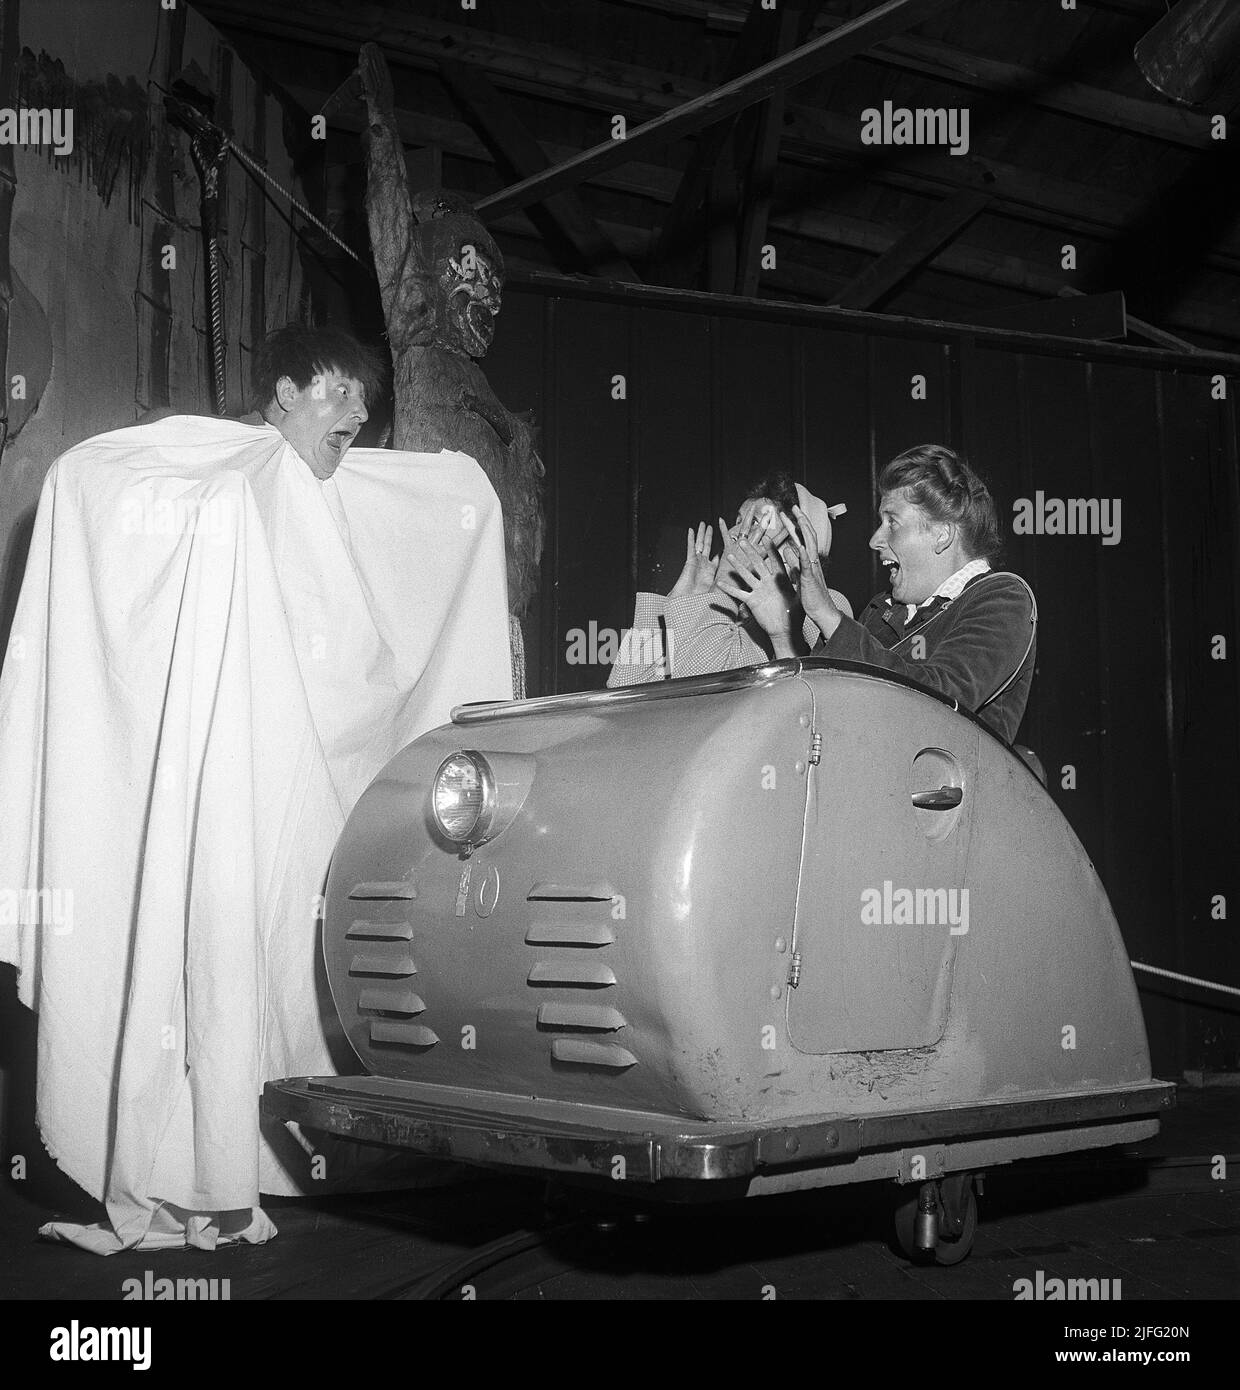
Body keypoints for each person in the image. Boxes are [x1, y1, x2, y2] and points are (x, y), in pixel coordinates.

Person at [719, 444, 1037, 744]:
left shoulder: (1003, 598)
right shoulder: (883, 608)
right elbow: (815, 715)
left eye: (892, 522)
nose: (875, 540)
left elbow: (940, 698)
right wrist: (780, 633)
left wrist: (829, 616)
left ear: (942, 535)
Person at [607, 471, 851, 686]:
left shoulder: (823, 606)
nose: (735, 533)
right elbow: (623, 683)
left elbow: (702, 689)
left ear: (794, 547)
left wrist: (723, 586)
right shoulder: (733, 609)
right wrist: (684, 595)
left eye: (754, 522)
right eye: (737, 521)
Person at [242, 324, 387, 480]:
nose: (363, 414)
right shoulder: (224, 466)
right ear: (288, 393)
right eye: (342, 391)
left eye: (362, 398)